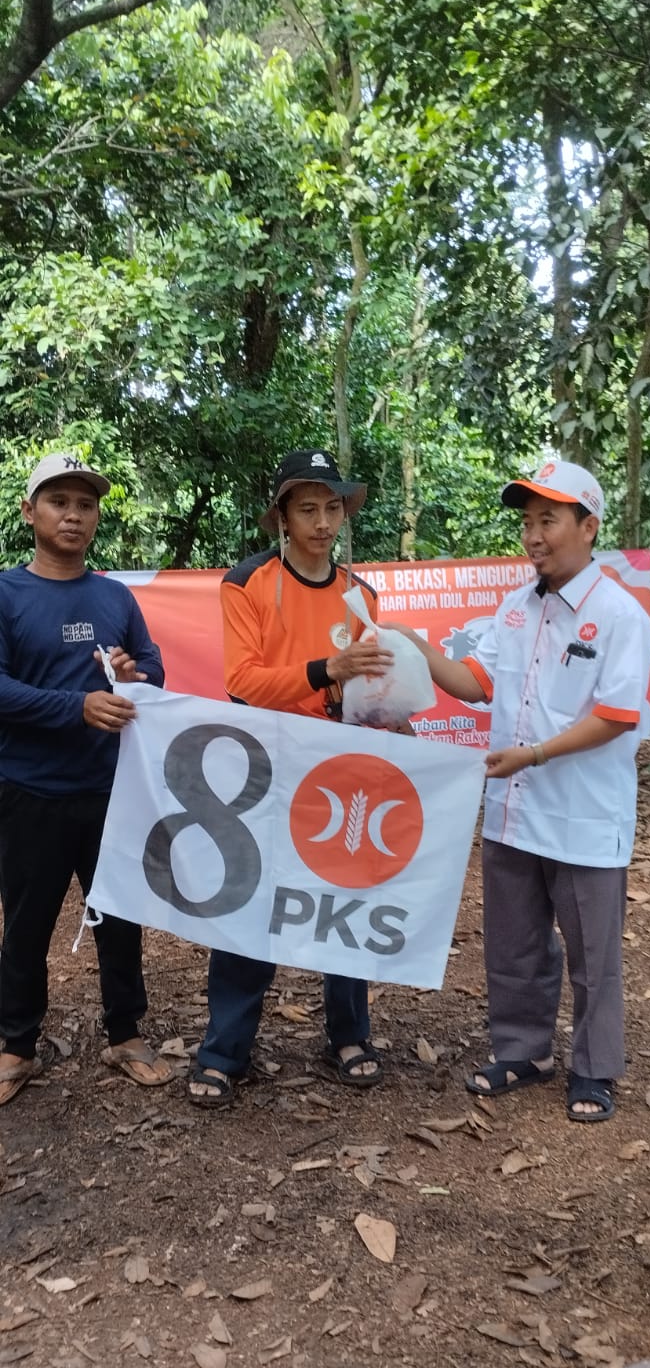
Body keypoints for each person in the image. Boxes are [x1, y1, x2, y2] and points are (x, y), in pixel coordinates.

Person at [398, 460, 650, 1123]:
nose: (533, 535)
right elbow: (474, 682)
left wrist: (535, 754)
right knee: (513, 944)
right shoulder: (515, 608)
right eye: (527, 521)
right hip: (513, 812)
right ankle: (523, 1051)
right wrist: (413, 645)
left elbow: (616, 716)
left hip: (583, 815)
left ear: (588, 527)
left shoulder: (620, 616)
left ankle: (594, 1068)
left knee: (593, 954)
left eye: (549, 520)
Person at [188, 448, 392, 1107]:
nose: (323, 522)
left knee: (344, 898)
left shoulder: (361, 595)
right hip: (268, 765)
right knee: (251, 901)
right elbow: (243, 683)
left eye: (333, 508)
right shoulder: (247, 582)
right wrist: (326, 671)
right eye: (308, 509)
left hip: (338, 767)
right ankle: (224, 1049)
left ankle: (349, 1035)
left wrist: (384, 709)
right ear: (282, 515)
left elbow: (367, 687)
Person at [0, 452, 173, 1106]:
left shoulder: (114, 597)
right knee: (26, 925)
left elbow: (153, 670)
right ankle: (16, 1045)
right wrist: (75, 707)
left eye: (85, 504)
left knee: (120, 917)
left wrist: (133, 678)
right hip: (29, 791)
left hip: (111, 790)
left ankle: (125, 1033)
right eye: (58, 502)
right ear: (29, 511)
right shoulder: (7, 594)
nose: (73, 515)